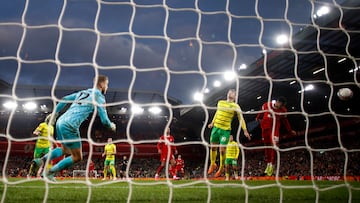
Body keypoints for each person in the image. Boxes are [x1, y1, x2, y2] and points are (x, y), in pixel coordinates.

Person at [32, 75, 116, 181]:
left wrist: (54, 113)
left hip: (60, 122)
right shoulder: (99, 96)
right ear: (101, 84)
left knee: (65, 150)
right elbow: (105, 121)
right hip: (70, 125)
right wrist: (112, 126)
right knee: (77, 157)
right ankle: (49, 173)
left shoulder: (83, 92)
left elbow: (64, 99)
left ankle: (40, 161)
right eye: (107, 84)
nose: (107, 87)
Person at [208, 89, 251, 178]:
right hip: (216, 128)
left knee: (222, 150)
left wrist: (245, 130)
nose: (230, 93)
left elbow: (241, 118)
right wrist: (212, 122)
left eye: (232, 93)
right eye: (229, 92)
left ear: (235, 97)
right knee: (213, 147)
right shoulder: (220, 102)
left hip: (225, 131)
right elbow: (217, 112)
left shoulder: (236, 106)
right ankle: (212, 164)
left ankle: (221, 168)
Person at [256, 96, 296, 176]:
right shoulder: (267, 105)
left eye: (283, 106)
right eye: (281, 105)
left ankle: (272, 166)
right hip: (265, 129)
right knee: (267, 147)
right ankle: (268, 164)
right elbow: (261, 112)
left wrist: (290, 130)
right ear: (277, 102)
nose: (281, 107)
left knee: (274, 146)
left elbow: (285, 121)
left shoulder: (283, 110)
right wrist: (258, 118)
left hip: (274, 130)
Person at [28, 114, 54, 178]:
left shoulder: (51, 127)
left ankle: (47, 174)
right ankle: (30, 174)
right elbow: (35, 132)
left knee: (49, 160)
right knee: (36, 161)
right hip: (39, 146)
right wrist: (37, 132)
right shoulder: (42, 125)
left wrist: (52, 144)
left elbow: (51, 137)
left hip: (47, 146)